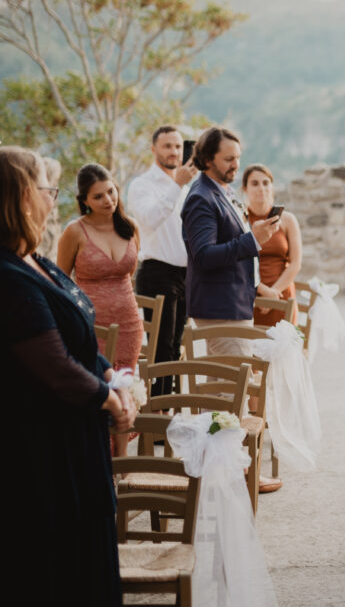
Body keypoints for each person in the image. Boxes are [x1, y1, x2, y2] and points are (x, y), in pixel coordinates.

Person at [1, 145, 134, 607]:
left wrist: (111, 374)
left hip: (78, 448)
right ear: (16, 197)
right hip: (44, 454)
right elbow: (52, 364)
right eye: (44, 187)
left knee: (91, 569)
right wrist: (111, 401)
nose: (52, 199)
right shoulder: (8, 276)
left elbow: (79, 337)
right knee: (56, 580)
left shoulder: (35, 261)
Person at [57, 164, 143, 458]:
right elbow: (61, 283)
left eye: (111, 191)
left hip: (130, 324)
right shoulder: (75, 231)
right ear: (84, 201)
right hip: (92, 326)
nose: (108, 200)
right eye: (98, 196)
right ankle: (97, 463)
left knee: (126, 391)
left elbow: (129, 278)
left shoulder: (130, 227)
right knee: (98, 390)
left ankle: (120, 467)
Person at [181, 127, 279, 355]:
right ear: (206, 159)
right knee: (234, 385)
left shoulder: (223, 191)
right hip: (221, 307)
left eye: (237, 158)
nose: (236, 164)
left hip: (233, 302)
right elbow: (204, 255)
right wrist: (253, 240)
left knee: (221, 385)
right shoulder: (201, 198)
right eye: (228, 159)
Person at [126, 125, 197, 396]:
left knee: (175, 346)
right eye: (167, 146)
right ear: (153, 149)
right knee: (160, 347)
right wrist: (177, 185)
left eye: (178, 146)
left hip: (185, 275)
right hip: (157, 272)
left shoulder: (188, 188)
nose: (174, 152)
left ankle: (168, 413)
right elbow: (150, 219)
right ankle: (157, 418)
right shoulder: (142, 185)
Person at [242, 164, 302, 327]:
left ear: (272, 187)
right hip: (250, 297)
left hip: (282, 295)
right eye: (255, 183)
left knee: (282, 348)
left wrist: (274, 293)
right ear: (245, 189)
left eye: (266, 183)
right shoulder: (240, 220)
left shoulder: (288, 220)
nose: (261, 188)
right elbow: (237, 263)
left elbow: (295, 264)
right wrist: (263, 291)